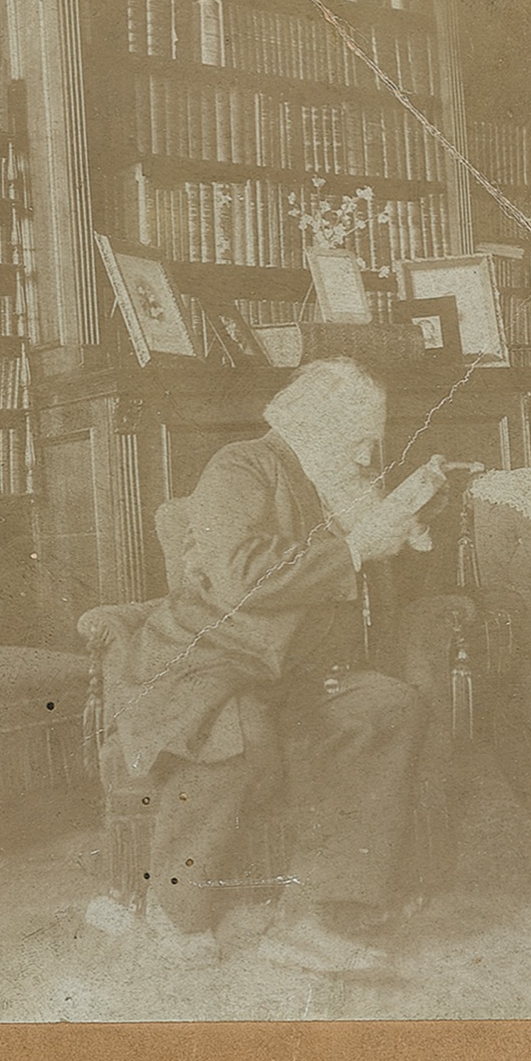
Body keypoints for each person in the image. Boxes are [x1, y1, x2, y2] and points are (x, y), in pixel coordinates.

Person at [89, 358, 452, 972]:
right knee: (234, 726)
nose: (368, 455)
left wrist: (409, 520)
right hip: (205, 659)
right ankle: (175, 911)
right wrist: (358, 547)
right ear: (309, 423)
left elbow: (355, 579)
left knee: (387, 707)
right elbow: (241, 575)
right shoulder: (241, 466)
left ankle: (314, 918)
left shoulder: (333, 485)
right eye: (358, 435)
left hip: (294, 672)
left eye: (375, 438)